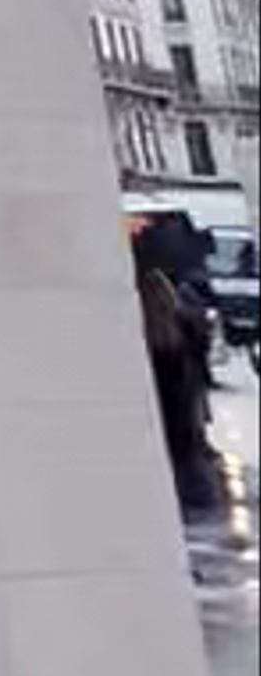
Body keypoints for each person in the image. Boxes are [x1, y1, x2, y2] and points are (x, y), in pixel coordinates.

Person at [132, 217, 224, 524]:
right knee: (183, 446)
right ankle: (194, 497)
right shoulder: (171, 298)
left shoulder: (153, 299)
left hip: (164, 391)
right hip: (176, 389)